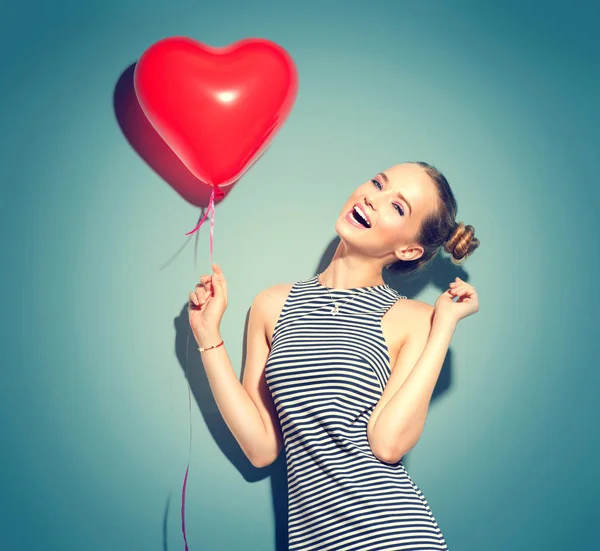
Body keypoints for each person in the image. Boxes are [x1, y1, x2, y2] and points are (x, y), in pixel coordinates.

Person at [188, 161, 480, 550]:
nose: (372, 199)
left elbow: (388, 444)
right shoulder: (271, 305)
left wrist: (443, 327)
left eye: (397, 207)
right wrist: (208, 337)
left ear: (408, 249)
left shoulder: (414, 319)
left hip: (392, 536)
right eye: (378, 183)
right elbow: (261, 449)